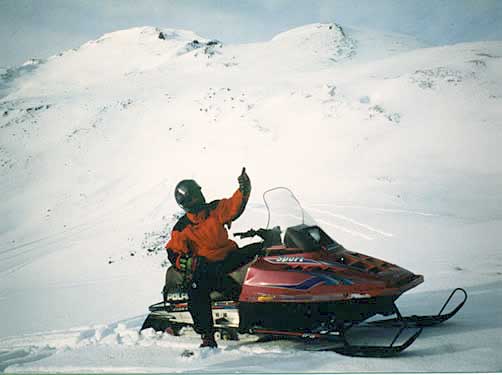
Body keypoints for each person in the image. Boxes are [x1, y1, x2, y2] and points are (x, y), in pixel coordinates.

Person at [164, 168, 262, 348]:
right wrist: (185, 262)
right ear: (186, 202)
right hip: (208, 266)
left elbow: (234, 206)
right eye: (194, 196)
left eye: (199, 193)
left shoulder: (214, 209)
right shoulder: (182, 228)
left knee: (261, 249)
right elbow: (173, 252)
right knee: (197, 289)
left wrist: (243, 188)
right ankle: (207, 336)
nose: (199, 198)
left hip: (229, 256)